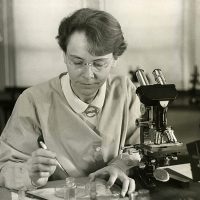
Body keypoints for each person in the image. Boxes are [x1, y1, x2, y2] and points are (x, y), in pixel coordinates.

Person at [0, 8, 141, 197]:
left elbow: (139, 148)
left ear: (115, 59)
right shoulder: (33, 100)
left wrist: (119, 166)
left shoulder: (125, 91)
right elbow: (4, 167)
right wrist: (28, 173)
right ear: (64, 56)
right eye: (77, 62)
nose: (88, 75)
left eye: (99, 64)